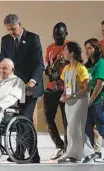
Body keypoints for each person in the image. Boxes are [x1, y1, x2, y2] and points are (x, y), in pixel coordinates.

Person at [0, 14, 44, 163]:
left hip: (31, 87)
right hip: (15, 87)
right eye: (8, 30)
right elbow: (4, 63)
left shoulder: (33, 38)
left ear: (20, 24)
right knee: (20, 119)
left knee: (25, 117)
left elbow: (39, 64)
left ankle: (26, 154)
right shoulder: (5, 40)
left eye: (13, 29)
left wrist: (32, 81)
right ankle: (27, 154)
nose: (11, 32)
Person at [55, 42, 94, 163]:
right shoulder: (66, 68)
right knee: (72, 129)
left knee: (74, 127)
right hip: (69, 101)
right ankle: (83, 152)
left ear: (71, 53)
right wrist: (63, 95)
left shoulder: (81, 68)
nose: (63, 53)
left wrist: (73, 95)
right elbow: (65, 85)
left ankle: (79, 153)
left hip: (80, 100)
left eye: (65, 51)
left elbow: (87, 88)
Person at [84, 38, 104, 160]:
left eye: (90, 48)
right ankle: (94, 151)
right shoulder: (89, 65)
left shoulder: (102, 63)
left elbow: (99, 84)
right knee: (87, 126)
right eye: (86, 49)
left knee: (103, 127)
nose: (87, 51)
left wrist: (90, 101)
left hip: (100, 100)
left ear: (96, 49)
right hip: (90, 100)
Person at [44, 22, 69, 160]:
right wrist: (48, 71)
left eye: (60, 34)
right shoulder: (49, 48)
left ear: (66, 33)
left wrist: (60, 75)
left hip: (65, 89)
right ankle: (58, 145)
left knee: (67, 121)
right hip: (51, 88)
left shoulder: (69, 46)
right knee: (48, 119)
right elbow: (48, 65)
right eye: (55, 35)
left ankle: (67, 147)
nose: (57, 37)